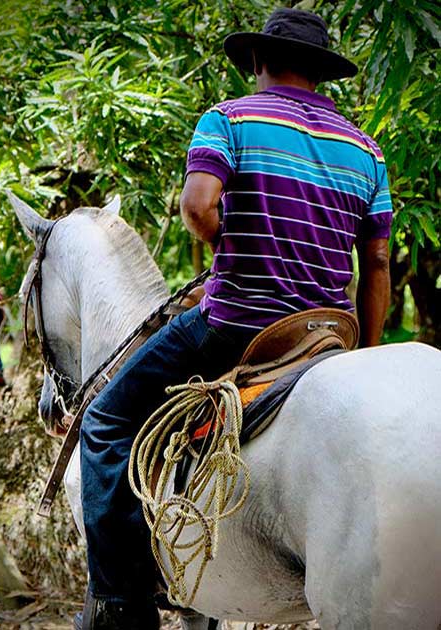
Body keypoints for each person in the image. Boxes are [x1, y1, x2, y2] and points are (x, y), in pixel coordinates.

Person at [77, 8, 392, 629]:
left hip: (239, 322)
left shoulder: (230, 118)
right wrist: (367, 355)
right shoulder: (366, 149)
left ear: (258, 62)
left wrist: (234, 258)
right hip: (330, 335)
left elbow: (198, 207)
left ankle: (122, 602)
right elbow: (377, 263)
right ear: (321, 75)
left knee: (105, 418)